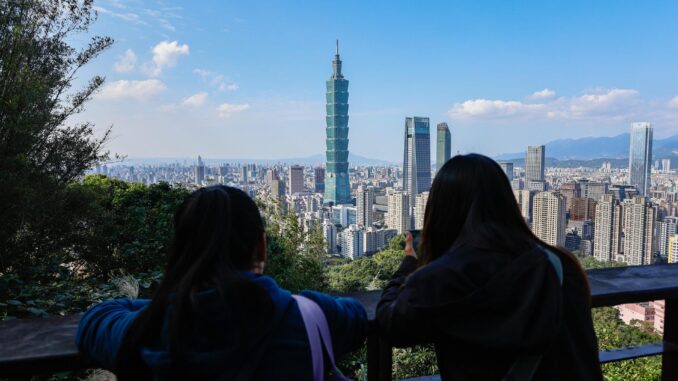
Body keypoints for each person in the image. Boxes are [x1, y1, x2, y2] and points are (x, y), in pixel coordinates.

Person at [77, 185, 367, 380]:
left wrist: (177, 302)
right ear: (262, 247)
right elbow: (355, 314)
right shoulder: (310, 317)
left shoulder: (149, 330)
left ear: (182, 252)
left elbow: (94, 321)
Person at [377, 154, 603, 381]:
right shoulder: (560, 264)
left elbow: (391, 323)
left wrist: (410, 264)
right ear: (506, 202)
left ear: (440, 210)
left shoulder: (440, 278)